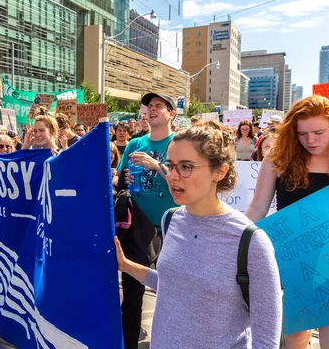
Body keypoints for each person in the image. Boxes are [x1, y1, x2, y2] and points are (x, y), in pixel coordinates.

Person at [114, 120, 282, 348]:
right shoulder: (171, 219)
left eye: (186, 166)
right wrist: (126, 266)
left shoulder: (250, 241)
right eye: (170, 165)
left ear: (219, 171)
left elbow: (267, 339)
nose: (173, 176)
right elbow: (175, 284)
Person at [246, 95, 329, 348]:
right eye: (302, 133)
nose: (310, 140)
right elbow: (258, 207)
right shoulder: (277, 160)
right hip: (295, 259)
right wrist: (232, 239)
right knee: (295, 336)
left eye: (318, 132)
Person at [115, 93, 177, 349]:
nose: (152, 110)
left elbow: (184, 182)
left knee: (172, 295)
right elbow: (119, 180)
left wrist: (157, 166)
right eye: (149, 106)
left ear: (171, 113)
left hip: (171, 229)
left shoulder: (180, 143)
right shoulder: (134, 144)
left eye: (159, 106)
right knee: (131, 295)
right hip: (137, 230)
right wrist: (124, 179)